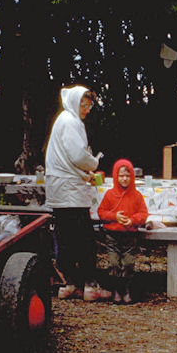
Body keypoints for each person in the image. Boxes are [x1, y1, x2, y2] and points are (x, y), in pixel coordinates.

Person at [44, 84, 111, 301]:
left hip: (61, 189)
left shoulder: (63, 120)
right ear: (76, 102)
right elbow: (78, 155)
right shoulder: (71, 122)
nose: (87, 110)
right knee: (83, 239)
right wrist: (94, 162)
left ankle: (71, 283)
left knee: (65, 238)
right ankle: (91, 286)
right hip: (70, 191)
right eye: (85, 105)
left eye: (89, 105)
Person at [96, 158, 150, 303]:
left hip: (129, 236)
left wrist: (132, 220)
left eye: (127, 175)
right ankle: (115, 290)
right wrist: (115, 216)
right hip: (112, 236)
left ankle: (126, 289)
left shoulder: (137, 195)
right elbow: (101, 212)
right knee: (114, 264)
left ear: (132, 177)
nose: (124, 179)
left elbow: (143, 214)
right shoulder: (109, 194)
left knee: (128, 264)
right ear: (115, 176)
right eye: (121, 176)